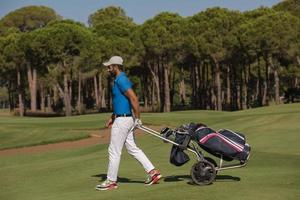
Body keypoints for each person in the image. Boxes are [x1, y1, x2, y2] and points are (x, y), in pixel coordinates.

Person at [96, 56, 161, 191]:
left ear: (116, 66)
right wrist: (112, 117)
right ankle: (153, 172)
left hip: (124, 121)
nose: (107, 68)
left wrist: (138, 118)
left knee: (114, 151)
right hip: (123, 118)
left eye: (109, 66)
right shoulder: (119, 80)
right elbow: (121, 102)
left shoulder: (121, 80)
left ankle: (111, 181)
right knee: (132, 148)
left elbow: (133, 98)